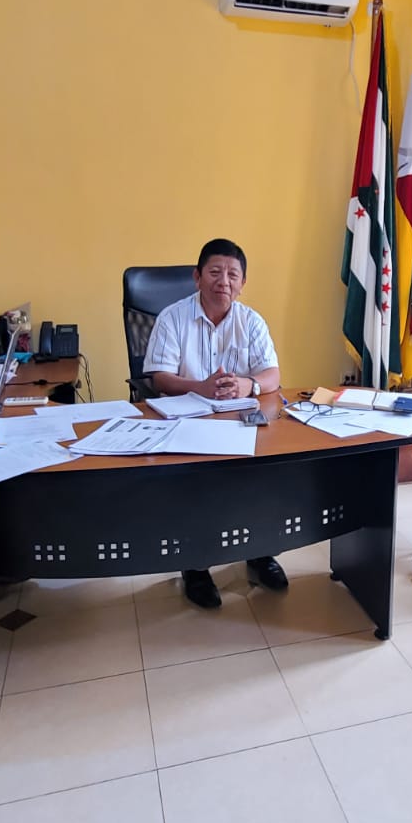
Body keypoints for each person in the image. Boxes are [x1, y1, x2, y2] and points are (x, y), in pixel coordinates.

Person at [142, 238, 286, 609]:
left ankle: (260, 553)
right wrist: (200, 387)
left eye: (233, 275)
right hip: (186, 420)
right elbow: (159, 377)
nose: (224, 281)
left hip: (238, 420)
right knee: (198, 483)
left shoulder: (250, 321)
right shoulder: (172, 318)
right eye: (215, 272)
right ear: (197, 277)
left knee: (268, 469)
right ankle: (195, 566)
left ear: (242, 283)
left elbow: (272, 374)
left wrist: (248, 384)